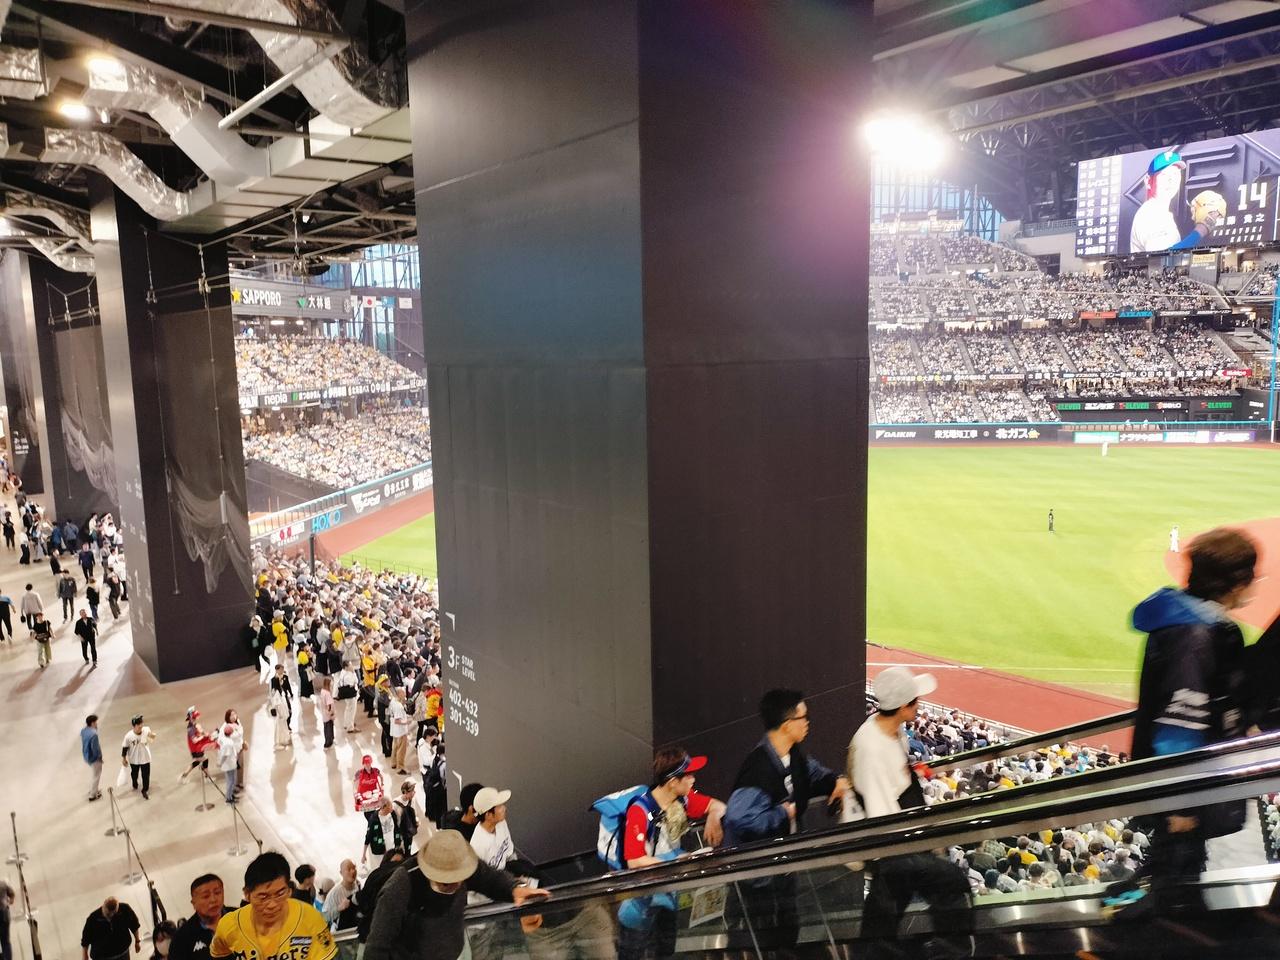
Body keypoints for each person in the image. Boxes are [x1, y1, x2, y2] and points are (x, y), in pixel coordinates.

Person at [1111, 527, 1257, 917]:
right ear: (1236, 583)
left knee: (1178, 867)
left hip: (1178, 782)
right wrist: (1181, 806)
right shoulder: (1198, 634)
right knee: (1177, 876)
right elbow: (1181, 725)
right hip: (1185, 786)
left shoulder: (1183, 622)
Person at [850, 667, 972, 948]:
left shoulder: (889, 730)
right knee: (950, 882)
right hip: (895, 846)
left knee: (883, 918)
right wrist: (919, 846)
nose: (919, 705)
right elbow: (881, 813)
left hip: (903, 843)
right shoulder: (872, 747)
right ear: (903, 705)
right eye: (915, 701)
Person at [722, 689, 848, 951]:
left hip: (783, 866)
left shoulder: (793, 755)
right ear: (787, 724)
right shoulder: (758, 768)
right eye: (804, 717)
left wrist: (834, 781)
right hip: (756, 876)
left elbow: (813, 773)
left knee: (787, 931)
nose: (808, 723)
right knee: (760, 941)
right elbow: (737, 819)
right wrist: (783, 814)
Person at [364, 831, 549, 960]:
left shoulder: (461, 864)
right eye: (446, 880)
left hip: (453, 952)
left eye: (458, 877)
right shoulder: (402, 884)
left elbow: (488, 878)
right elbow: (377, 947)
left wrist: (515, 888)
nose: (456, 884)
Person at [615, 750, 727, 960]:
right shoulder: (639, 811)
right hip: (639, 910)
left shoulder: (683, 800)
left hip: (668, 901)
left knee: (666, 953)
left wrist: (713, 817)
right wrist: (678, 862)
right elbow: (635, 861)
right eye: (688, 775)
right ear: (673, 782)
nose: (693, 779)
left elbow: (718, 805)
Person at [209, 853, 335, 960]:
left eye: (280, 894)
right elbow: (219, 954)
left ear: (289, 890)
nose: (272, 904)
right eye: (263, 897)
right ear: (247, 894)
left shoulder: (310, 919)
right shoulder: (230, 925)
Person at [170, 875, 230, 960]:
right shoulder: (182, 938)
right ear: (193, 903)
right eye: (206, 896)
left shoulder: (241, 917)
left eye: (217, 893)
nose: (213, 900)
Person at [121, 715, 157, 799]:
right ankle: (135, 783)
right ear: (134, 726)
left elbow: (151, 739)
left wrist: (152, 735)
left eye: (141, 723)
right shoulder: (128, 736)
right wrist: (124, 759)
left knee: (146, 776)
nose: (140, 726)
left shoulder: (146, 730)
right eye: (138, 724)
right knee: (134, 774)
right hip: (134, 759)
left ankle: (145, 790)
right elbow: (125, 747)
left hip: (145, 758)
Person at [320, 860, 361, 932]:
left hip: (357, 927)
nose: (353, 871)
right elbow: (324, 917)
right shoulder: (334, 893)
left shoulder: (358, 885)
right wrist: (339, 908)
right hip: (342, 931)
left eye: (354, 868)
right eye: (349, 869)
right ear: (341, 873)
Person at [362, 798, 401, 870]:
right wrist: (364, 854)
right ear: (384, 807)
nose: (392, 807)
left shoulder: (392, 813)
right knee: (383, 869)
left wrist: (399, 842)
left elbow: (397, 828)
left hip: (393, 848)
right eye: (390, 806)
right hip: (380, 851)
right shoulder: (374, 819)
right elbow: (368, 836)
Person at [394, 780, 422, 855]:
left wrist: (416, 820)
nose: (414, 792)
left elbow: (414, 813)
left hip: (409, 831)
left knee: (408, 849)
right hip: (400, 833)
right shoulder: (395, 804)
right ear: (405, 792)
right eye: (412, 791)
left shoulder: (413, 800)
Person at [269, 664, 293, 750]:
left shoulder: (285, 677)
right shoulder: (274, 682)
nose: (282, 671)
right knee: (279, 725)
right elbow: (274, 697)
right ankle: (279, 741)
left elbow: (288, 686)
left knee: (289, 711)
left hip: (284, 698)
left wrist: (290, 693)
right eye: (280, 669)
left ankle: (287, 727)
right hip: (279, 704)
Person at [215, 724, 240, 804]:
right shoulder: (228, 743)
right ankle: (229, 798)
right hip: (229, 764)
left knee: (231, 780)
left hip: (229, 763)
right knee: (231, 781)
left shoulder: (224, 739)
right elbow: (225, 755)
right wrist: (220, 763)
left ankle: (231, 795)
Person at [82, 714, 104, 801]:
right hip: (94, 758)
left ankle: (94, 789)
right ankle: (93, 795)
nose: (97, 724)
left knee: (94, 774)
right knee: (96, 776)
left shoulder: (84, 731)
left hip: (86, 756)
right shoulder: (94, 734)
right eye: (95, 722)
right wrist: (99, 758)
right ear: (92, 723)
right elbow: (95, 749)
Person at [337, 663, 360, 733]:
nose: (352, 666)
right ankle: (350, 727)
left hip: (347, 694)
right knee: (352, 711)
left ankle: (346, 723)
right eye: (350, 665)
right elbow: (355, 681)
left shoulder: (342, 673)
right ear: (346, 667)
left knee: (348, 709)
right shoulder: (348, 675)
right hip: (351, 694)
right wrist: (354, 673)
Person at [318, 676, 335, 749]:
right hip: (328, 714)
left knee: (326, 727)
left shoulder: (322, 691)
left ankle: (329, 741)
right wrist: (331, 714)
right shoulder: (327, 694)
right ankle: (329, 743)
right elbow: (329, 705)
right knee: (329, 728)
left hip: (324, 713)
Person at [0, 877, 13, 960]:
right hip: (4, 914)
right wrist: (8, 902)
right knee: (5, 941)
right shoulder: (3, 883)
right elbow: (12, 895)